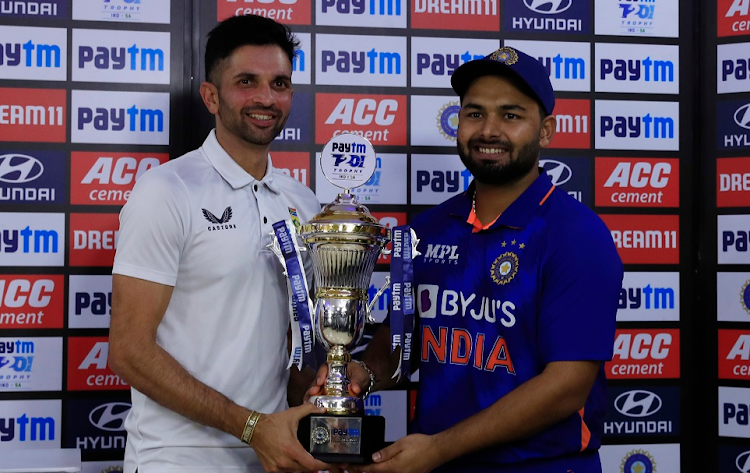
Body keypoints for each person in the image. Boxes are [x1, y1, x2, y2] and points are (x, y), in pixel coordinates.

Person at [307, 46, 623, 473]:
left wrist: (438, 448)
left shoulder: (576, 235)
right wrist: (360, 371)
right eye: (474, 113)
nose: (488, 130)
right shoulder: (428, 230)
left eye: (510, 115)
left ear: (545, 130)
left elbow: (565, 388)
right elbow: (402, 340)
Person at [108, 15, 331, 473]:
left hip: (273, 456)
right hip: (176, 460)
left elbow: (285, 343)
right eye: (246, 82)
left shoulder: (303, 203)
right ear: (211, 95)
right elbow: (129, 351)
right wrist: (250, 426)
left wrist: (323, 387)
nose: (266, 98)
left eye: (280, 83)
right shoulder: (167, 191)